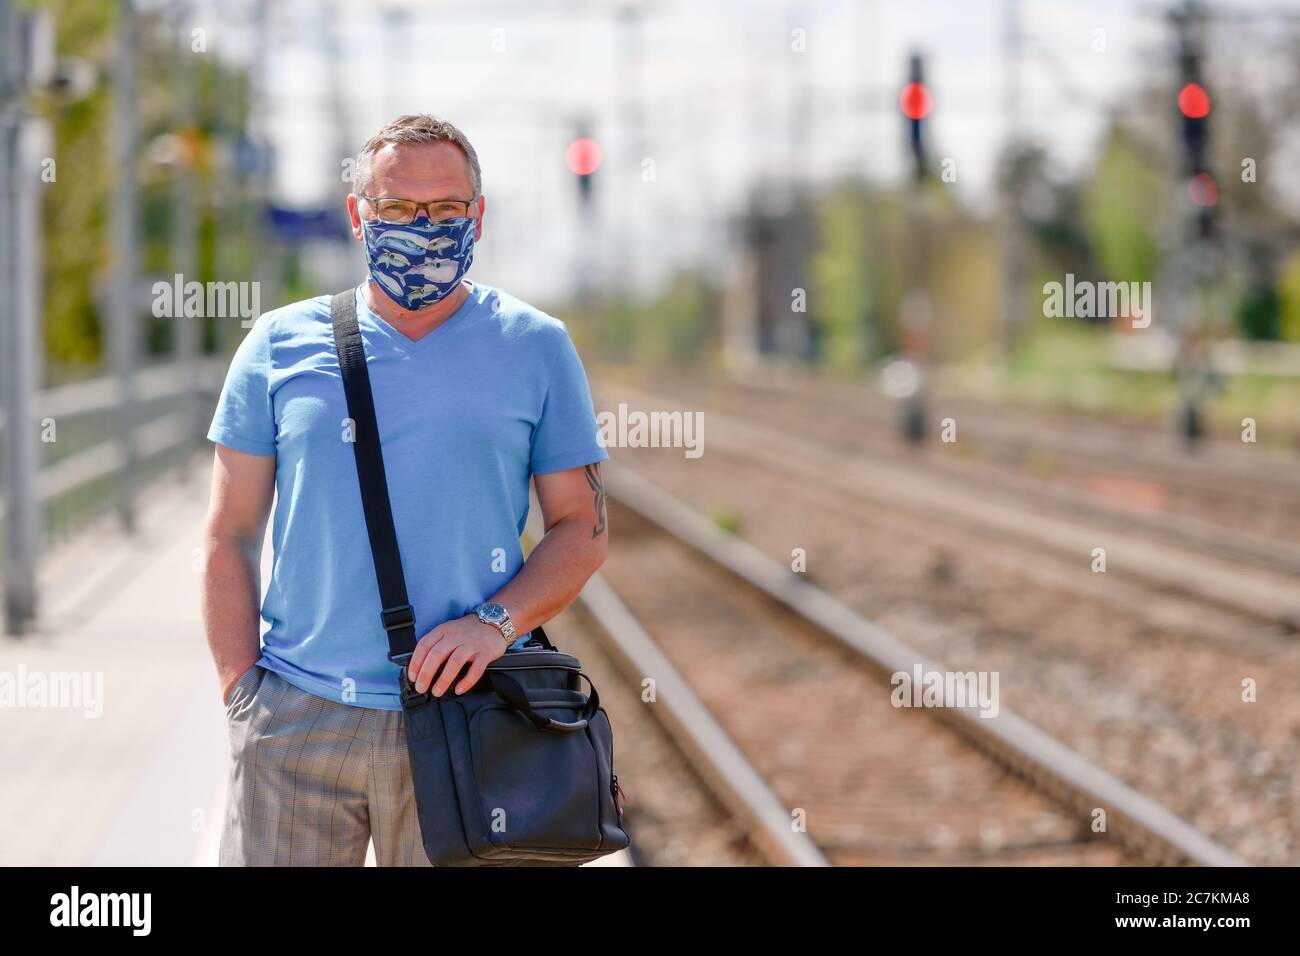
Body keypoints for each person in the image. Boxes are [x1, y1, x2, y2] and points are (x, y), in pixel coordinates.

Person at [201, 114, 609, 866]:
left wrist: (495, 621)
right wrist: (243, 697)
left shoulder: (536, 347)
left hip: (468, 725)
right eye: (397, 208)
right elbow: (228, 532)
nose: (424, 227)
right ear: (360, 215)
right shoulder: (276, 345)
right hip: (296, 722)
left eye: (447, 209)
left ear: (476, 216)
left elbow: (580, 527)